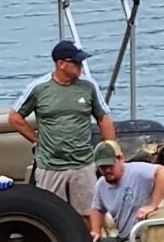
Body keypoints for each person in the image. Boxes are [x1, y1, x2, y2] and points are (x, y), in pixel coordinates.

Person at [9, 40, 115, 223]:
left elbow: (103, 118)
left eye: (81, 62)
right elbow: (15, 117)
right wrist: (37, 139)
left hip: (83, 164)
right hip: (51, 166)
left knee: (88, 214)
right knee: (51, 217)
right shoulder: (39, 87)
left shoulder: (88, 86)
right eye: (76, 62)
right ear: (61, 64)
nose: (80, 66)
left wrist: (112, 150)